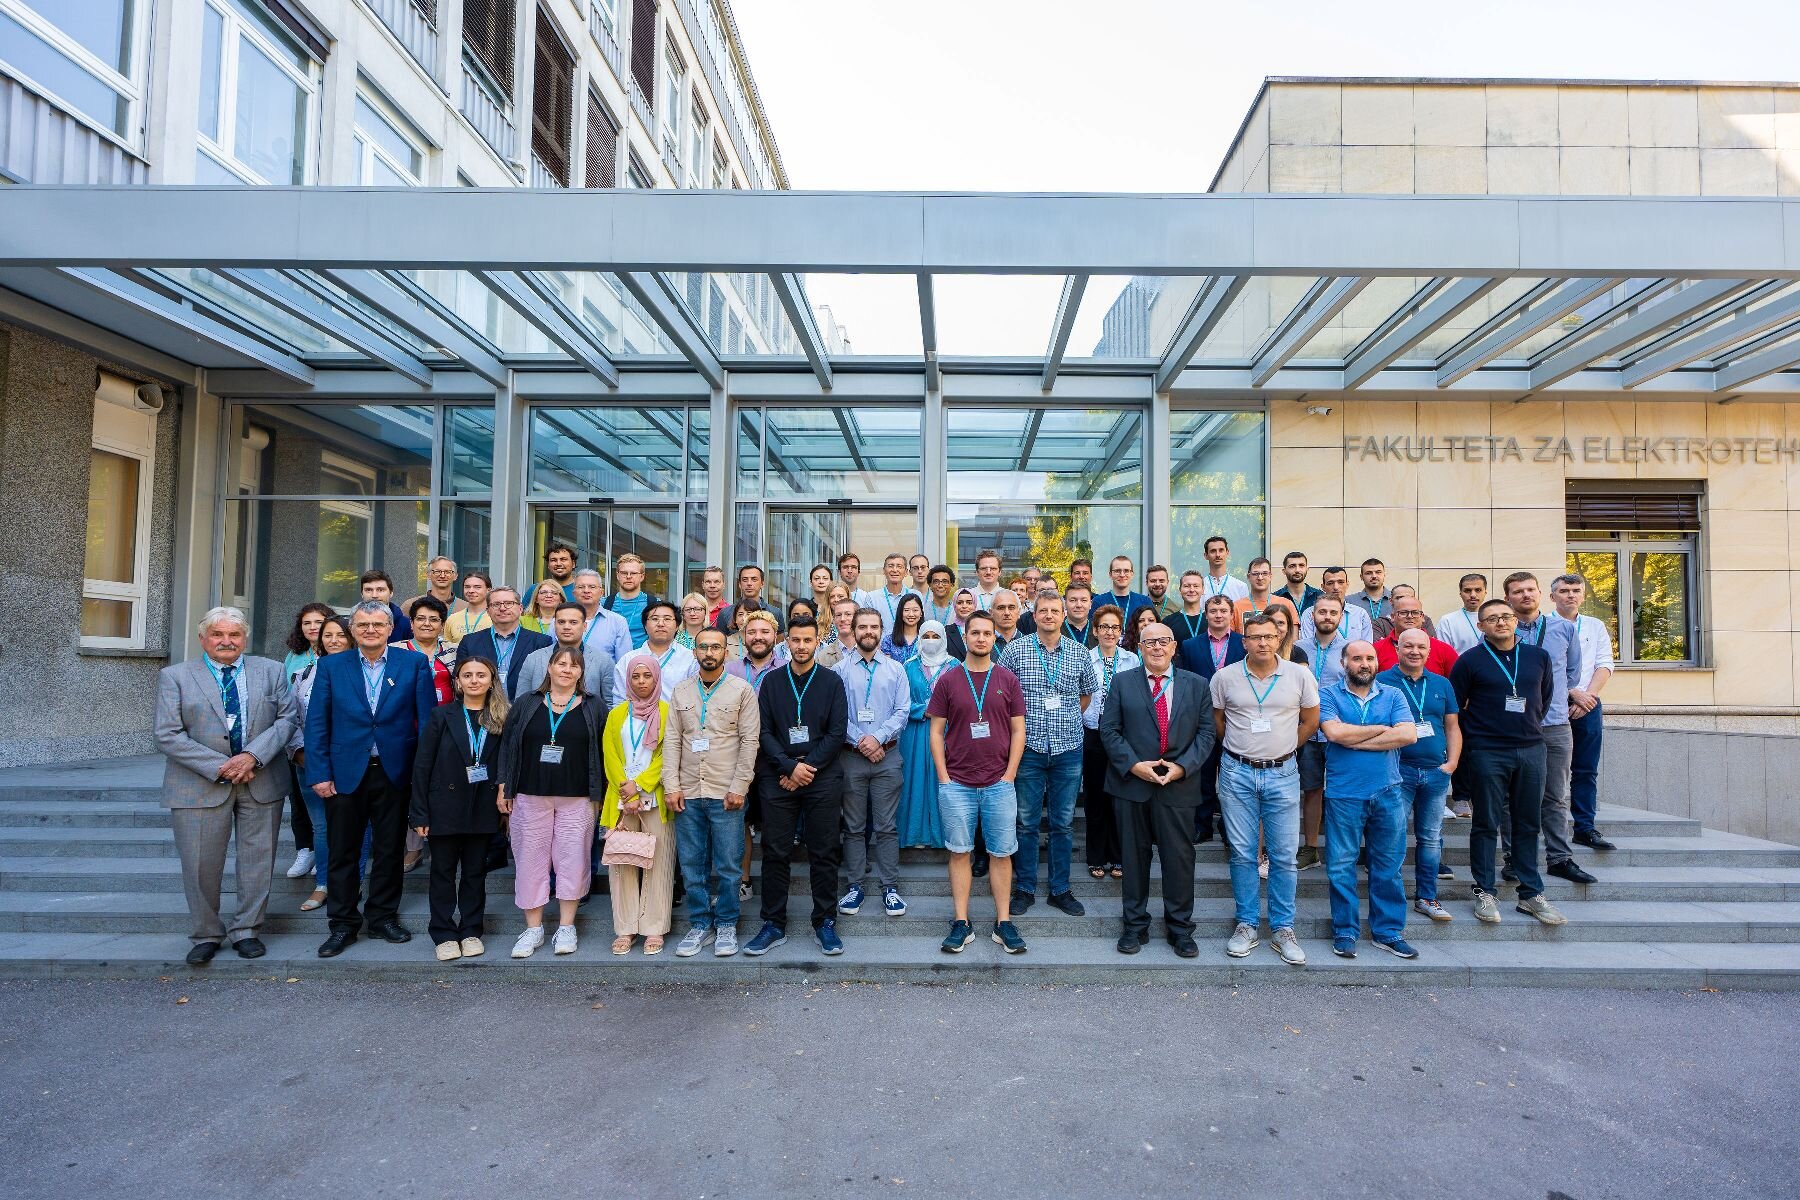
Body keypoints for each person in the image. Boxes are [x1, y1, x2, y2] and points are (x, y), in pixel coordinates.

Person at [154, 606, 299, 965]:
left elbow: (287, 719)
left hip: (260, 778)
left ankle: (247, 930)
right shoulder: (175, 676)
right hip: (198, 784)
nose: (226, 641)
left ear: (244, 638)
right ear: (202, 638)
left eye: (234, 634)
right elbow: (167, 734)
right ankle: (206, 933)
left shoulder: (272, 671)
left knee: (257, 862)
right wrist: (222, 766)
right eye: (217, 634)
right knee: (200, 865)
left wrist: (251, 757)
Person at [303, 600, 437, 958]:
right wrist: (319, 772)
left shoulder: (413, 663)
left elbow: (426, 723)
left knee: (390, 850)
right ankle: (343, 924)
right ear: (353, 629)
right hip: (343, 773)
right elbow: (317, 722)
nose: (371, 630)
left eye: (378, 624)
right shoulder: (331, 666)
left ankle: (382, 918)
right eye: (363, 624)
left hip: (395, 772)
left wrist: (421, 776)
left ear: (391, 629)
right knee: (343, 851)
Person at [1210, 611, 1319, 966]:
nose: (1262, 643)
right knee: (1243, 853)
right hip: (1237, 773)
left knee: (1284, 855)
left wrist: (1284, 748)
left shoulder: (1299, 675)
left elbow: (1311, 720)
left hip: (1283, 773)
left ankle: (1284, 928)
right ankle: (1247, 924)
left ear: (1279, 639)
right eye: (1255, 637)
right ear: (1244, 642)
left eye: (1269, 636)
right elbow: (1218, 722)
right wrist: (1243, 750)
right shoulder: (1225, 677)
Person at [1449, 599, 1565, 927]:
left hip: (1531, 749)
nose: (1500, 622)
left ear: (1515, 620)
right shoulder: (1469, 661)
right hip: (1487, 750)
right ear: (1481, 626)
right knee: (1486, 822)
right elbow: (1456, 708)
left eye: (1505, 616)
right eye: (1492, 619)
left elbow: (1542, 699)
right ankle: (1485, 891)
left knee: (1528, 823)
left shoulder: (1538, 657)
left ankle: (1531, 893)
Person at [1100, 622, 1213, 957]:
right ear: (1140, 648)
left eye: (1164, 641)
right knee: (1133, 860)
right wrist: (1135, 766)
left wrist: (1183, 767)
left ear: (1174, 647)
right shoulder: (1123, 682)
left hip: (1179, 786)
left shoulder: (1197, 685)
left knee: (1179, 860)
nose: (1157, 647)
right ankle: (1134, 926)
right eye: (1150, 642)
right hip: (1133, 785)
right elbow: (1109, 730)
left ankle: (1180, 929)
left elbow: (1206, 734)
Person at [744, 617, 850, 956]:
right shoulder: (772, 681)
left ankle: (825, 922)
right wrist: (790, 767)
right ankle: (773, 923)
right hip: (778, 775)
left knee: (824, 850)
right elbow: (764, 732)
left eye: (807, 640)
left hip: (822, 776)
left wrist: (806, 768)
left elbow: (837, 732)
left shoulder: (831, 681)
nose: (801, 646)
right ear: (786, 642)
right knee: (775, 851)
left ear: (817, 641)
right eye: (795, 640)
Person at [928, 610, 1028, 954]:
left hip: (999, 782)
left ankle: (1003, 922)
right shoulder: (949, 680)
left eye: (987, 633)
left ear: (993, 637)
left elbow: (1018, 730)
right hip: (957, 783)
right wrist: (943, 777)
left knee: (1001, 854)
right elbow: (936, 732)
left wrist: (1010, 774)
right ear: (965, 636)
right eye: (975, 633)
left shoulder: (1007, 679)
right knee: (959, 852)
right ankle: (961, 922)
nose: (981, 638)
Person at [496, 647, 606, 957]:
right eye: (561, 664)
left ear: (581, 672)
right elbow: (508, 745)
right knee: (530, 860)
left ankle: (567, 926)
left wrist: (601, 794)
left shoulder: (594, 706)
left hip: (578, 797)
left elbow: (604, 752)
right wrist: (504, 785)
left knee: (573, 860)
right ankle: (533, 929)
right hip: (530, 794)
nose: (567, 670)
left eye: (574, 666)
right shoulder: (526, 703)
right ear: (549, 667)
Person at [998, 590, 1098, 917]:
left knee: (1062, 823)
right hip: (1027, 748)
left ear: (1064, 614)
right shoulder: (1016, 650)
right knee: (1026, 822)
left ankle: (1060, 889)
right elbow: (1001, 694)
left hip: (1068, 748)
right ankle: (1025, 888)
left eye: (1055, 610)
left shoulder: (1079, 652)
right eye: (1043, 610)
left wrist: (1064, 719)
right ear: (1034, 615)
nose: (1049, 615)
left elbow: (1086, 695)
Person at [1318, 640, 1419, 960]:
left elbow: (1408, 735)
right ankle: (1345, 931)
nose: (1365, 664)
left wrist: (1355, 737)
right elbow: (1334, 734)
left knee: (1388, 866)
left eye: (1370, 658)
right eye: (1357, 658)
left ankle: (1388, 932)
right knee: (1340, 867)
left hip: (1388, 791)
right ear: (1344, 663)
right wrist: (1382, 730)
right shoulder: (1328, 695)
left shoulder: (1394, 694)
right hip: (1343, 794)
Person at [665, 627, 760, 957]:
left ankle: (727, 924)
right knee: (692, 865)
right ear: (695, 652)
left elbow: (750, 741)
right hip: (688, 791)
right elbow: (672, 741)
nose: (709, 652)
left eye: (715, 647)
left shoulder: (742, 690)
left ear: (726, 652)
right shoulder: (681, 691)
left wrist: (740, 786)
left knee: (729, 866)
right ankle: (700, 924)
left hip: (726, 793)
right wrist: (671, 785)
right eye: (703, 647)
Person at [409, 654, 506, 961]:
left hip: (483, 806)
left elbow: (507, 763)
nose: (474, 680)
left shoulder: (501, 717)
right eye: (467, 675)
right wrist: (419, 812)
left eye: (481, 675)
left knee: (475, 873)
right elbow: (422, 765)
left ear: (491, 681)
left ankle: (471, 930)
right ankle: (443, 933)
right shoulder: (442, 715)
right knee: (442, 872)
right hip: (444, 807)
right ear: (458, 682)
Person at [1505, 572, 1594, 886]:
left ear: (1541, 594)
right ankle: (1514, 859)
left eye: (1530, 589)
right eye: (1518, 591)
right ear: (1508, 598)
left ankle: (1559, 858)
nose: (1525, 595)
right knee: (1511, 798)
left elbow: (1572, 674)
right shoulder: (1502, 630)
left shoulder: (1564, 629)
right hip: (1512, 728)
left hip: (1554, 724)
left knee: (1555, 796)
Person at [1379, 628, 1462, 923]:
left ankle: (1427, 897)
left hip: (1435, 773)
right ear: (1397, 649)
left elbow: (1452, 726)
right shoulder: (1382, 681)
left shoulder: (1441, 683)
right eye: (1408, 646)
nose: (1415, 651)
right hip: (1398, 773)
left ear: (1429, 651)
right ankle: (1390, 899)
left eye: (1421, 647)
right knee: (1392, 836)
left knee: (1430, 838)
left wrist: (1452, 763)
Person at [834, 608, 911, 919]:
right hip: (851, 757)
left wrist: (877, 738)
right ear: (853, 630)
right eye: (862, 626)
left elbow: (902, 711)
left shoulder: (896, 670)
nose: (868, 631)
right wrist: (862, 742)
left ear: (881, 630)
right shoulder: (839, 670)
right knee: (853, 827)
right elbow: (836, 714)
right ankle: (855, 886)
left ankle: (889, 887)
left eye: (874, 627)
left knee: (886, 827)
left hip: (887, 757)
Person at [599, 656, 675, 955]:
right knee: (622, 863)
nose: (641, 681)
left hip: (655, 797)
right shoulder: (616, 714)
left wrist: (640, 784)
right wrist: (627, 790)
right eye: (635, 676)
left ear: (656, 679)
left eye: (647, 676)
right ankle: (626, 928)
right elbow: (609, 755)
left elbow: (668, 755)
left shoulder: (667, 712)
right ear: (628, 680)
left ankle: (654, 927)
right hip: (621, 800)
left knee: (659, 863)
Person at [289, 615, 357, 911]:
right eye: (328, 635)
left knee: (356, 826)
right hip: (309, 761)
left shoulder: (361, 672)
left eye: (340, 635)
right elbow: (290, 718)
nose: (334, 640)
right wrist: (300, 752)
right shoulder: (302, 675)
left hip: (350, 761)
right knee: (321, 826)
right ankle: (323, 884)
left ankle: (353, 884)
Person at [1552, 572, 1618, 853]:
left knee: (1586, 769)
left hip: (1588, 705)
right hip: (1553, 705)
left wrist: (1586, 697)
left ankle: (1585, 828)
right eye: (1564, 591)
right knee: (1548, 770)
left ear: (1583, 595)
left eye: (1576, 590)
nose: (1570, 595)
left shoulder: (1595, 626)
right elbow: (1544, 667)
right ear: (1552, 596)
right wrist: (1571, 692)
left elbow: (1604, 664)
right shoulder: (1544, 626)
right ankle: (1546, 828)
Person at [1296, 594, 1352, 871]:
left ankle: (1343, 850)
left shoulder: (1351, 649)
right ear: (1312, 615)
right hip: (1306, 732)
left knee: (1343, 792)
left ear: (1341, 616)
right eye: (1322, 612)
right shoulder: (1298, 648)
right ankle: (1310, 848)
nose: (1327, 617)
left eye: (1333, 612)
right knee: (1312, 790)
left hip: (1338, 732)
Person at [1082, 607, 1139, 880]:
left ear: (1121, 632)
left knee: (1120, 797)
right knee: (1095, 798)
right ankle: (1096, 856)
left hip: (1121, 736)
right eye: (1104, 627)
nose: (1109, 632)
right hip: (1093, 734)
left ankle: (1118, 856)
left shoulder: (1132, 660)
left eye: (1115, 627)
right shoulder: (1085, 658)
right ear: (1095, 631)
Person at [281, 603, 334, 883]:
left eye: (319, 622)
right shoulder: (295, 657)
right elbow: (286, 702)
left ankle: (325, 860)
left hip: (336, 749)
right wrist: (297, 748)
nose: (313, 627)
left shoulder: (342, 656)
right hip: (301, 746)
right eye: (307, 623)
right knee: (301, 804)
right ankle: (308, 851)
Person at [899, 621, 953, 849]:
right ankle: (916, 835)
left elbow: (961, 699)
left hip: (947, 731)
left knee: (943, 779)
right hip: (916, 732)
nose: (931, 640)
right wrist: (923, 710)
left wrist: (942, 712)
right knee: (916, 780)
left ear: (944, 638)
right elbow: (900, 702)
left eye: (936, 636)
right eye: (926, 636)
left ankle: (942, 835)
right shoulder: (908, 666)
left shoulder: (955, 666)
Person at [515, 602, 617, 709]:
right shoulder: (534, 659)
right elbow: (521, 703)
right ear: (554, 625)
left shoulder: (603, 661)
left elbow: (610, 704)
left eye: (573, 622)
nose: (566, 627)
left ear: (584, 626)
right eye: (561, 622)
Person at [457, 586, 551, 699]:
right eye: (496, 604)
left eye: (509, 603)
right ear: (488, 611)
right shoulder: (469, 642)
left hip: (524, 707)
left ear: (520, 608)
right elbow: (460, 681)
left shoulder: (541, 642)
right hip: (482, 706)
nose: (502, 608)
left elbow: (547, 683)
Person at [612, 600, 698, 702]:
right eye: (655, 619)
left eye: (667, 619)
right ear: (645, 626)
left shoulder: (690, 659)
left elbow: (695, 698)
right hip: (637, 712)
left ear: (676, 626)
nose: (660, 624)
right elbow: (620, 700)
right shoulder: (628, 660)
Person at [1374, 594, 1460, 676]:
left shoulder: (1445, 651)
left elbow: (1455, 684)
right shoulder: (1376, 650)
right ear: (1393, 617)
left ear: (1422, 617)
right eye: (1403, 612)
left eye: (1415, 612)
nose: (1409, 616)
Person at [396, 595, 455, 707]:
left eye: (434, 620)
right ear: (412, 623)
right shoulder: (395, 650)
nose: (427, 624)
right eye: (420, 619)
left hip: (447, 714)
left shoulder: (454, 651)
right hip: (407, 714)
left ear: (442, 625)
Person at [571, 568, 632, 665]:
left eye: (592, 587)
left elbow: (624, 664)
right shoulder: (559, 621)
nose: (586, 591)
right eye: (581, 587)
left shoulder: (617, 622)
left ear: (601, 592)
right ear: (574, 592)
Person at [1176, 595, 1243, 679]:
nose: (1218, 615)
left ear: (1232, 615)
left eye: (1223, 611)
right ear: (1206, 615)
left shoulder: (1244, 643)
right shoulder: (1189, 646)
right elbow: (1184, 678)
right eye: (1213, 611)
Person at [1303, 568, 1374, 644]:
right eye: (1330, 583)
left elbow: (1367, 646)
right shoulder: (1310, 613)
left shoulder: (1360, 614)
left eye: (1340, 582)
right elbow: (1307, 646)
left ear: (1347, 584)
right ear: (1323, 587)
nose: (1336, 587)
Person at [1232, 557, 1300, 632]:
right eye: (1255, 574)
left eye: (1264, 573)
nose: (1260, 578)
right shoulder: (1236, 607)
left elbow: (1293, 637)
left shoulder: (1286, 604)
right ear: (1248, 577)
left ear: (1270, 576)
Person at [858, 552, 918, 636]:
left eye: (899, 566)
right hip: (881, 644)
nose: (895, 570)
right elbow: (868, 625)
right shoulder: (872, 597)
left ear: (906, 572)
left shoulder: (915, 595)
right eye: (890, 566)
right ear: (884, 571)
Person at [606, 552, 655, 650]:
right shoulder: (605, 604)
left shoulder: (654, 604)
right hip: (612, 658)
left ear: (642, 576)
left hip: (643, 657)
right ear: (617, 575)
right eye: (624, 573)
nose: (628, 576)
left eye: (633, 573)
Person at [715, 564, 782, 634]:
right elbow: (720, 639)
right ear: (739, 584)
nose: (749, 583)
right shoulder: (725, 613)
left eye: (754, 579)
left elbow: (778, 640)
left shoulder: (775, 613)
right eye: (745, 580)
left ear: (762, 584)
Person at [726, 610, 784, 690]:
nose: (758, 637)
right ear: (745, 636)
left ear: (775, 635)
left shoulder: (788, 670)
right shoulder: (730, 670)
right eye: (751, 632)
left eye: (765, 632)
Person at [1437, 572, 1489, 655]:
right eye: (1467, 590)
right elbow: (1443, 654)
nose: (1473, 595)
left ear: (1485, 593)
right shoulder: (1447, 621)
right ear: (1460, 594)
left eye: (1478, 590)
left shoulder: (1497, 619)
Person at [1092, 554, 1153, 625]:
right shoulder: (1098, 602)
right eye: (1117, 571)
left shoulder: (1145, 602)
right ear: (1110, 574)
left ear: (1132, 574)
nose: (1122, 575)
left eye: (1126, 571)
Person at [359, 569, 413, 641]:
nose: (374, 595)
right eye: (369, 590)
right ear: (362, 594)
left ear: (391, 593)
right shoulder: (352, 624)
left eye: (380, 590)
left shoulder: (407, 625)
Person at [1347, 558, 1395, 639]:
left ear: (1384, 575)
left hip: (1391, 645)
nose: (1374, 576)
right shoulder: (1349, 601)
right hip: (1359, 645)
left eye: (1378, 572)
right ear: (1361, 577)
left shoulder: (1397, 600)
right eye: (1368, 573)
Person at [443, 570, 493, 642]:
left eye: (477, 587)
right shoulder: (452, 619)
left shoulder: (496, 618)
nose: (471, 591)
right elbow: (447, 646)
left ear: (489, 590)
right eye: (467, 587)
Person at [1200, 535, 1250, 602]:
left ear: (1227, 553)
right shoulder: (1198, 588)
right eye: (1213, 551)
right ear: (1206, 555)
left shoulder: (1240, 587)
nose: (1217, 555)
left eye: (1221, 550)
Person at [880, 593, 926, 664]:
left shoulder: (926, 639)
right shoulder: (889, 641)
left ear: (921, 613)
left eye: (915, 610)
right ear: (900, 613)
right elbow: (886, 667)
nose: (911, 614)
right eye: (906, 610)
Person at [816, 597, 857, 669]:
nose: (842, 619)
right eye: (838, 615)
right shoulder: (822, 657)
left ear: (858, 618)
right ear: (833, 620)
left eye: (848, 614)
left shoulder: (868, 652)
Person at [1060, 582, 1098, 649]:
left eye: (1084, 600)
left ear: (1090, 604)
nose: (1079, 605)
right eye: (1073, 600)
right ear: (1065, 604)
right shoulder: (1056, 630)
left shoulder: (1099, 631)